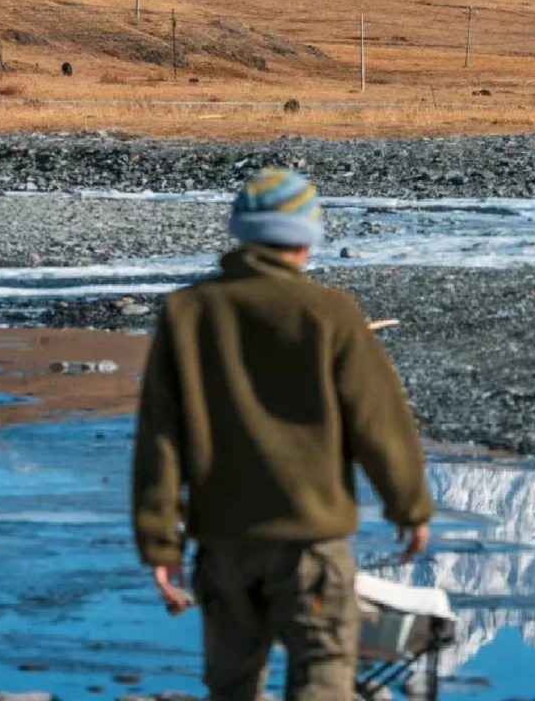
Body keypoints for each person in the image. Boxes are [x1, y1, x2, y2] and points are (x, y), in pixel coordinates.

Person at [133, 166, 433, 701]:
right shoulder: (330, 313)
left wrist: (160, 541)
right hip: (311, 549)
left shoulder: (188, 312)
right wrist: (409, 507)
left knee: (232, 689)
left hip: (224, 547)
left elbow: (161, 439)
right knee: (322, 683)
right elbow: (379, 423)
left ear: (241, 233)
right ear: (307, 240)